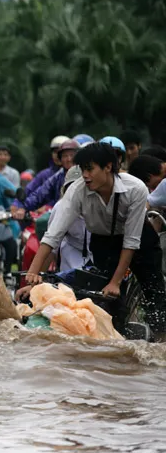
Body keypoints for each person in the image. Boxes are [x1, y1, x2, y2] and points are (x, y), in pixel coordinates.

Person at [26, 142, 166, 339]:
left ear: (108, 167)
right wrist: (33, 273)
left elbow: (132, 240)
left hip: (140, 239)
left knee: (155, 295)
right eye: (83, 169)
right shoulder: (77, 190)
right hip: (102, 242)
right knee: (106, 301)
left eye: (90, 169)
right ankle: (115, 343)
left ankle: (161, 344)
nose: (85, 175)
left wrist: (116, 282)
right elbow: (53, 235)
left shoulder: (135, 188)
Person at [12, 139, 78, 219]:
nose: (69, 159)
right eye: (65, 156)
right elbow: (39, 194)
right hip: (59, 218)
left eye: (72, 155)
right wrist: (23, 207)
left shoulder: (84, 175)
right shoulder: (56, 177)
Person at [46, 166, 91, 271]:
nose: (76, 193)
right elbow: (50, 245)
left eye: (81, 188)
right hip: (71, 258)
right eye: (71, 188)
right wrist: (37, 279)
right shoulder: (60, 208)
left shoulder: (100, 204)